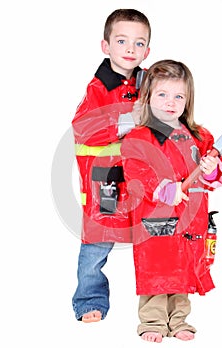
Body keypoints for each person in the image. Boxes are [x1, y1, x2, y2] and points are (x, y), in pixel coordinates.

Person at [121, 59, 222, 342]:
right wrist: (164, 189)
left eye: (179, 96)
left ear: (188, 99)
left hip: (190, 217)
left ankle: (179, 319)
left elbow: (220, 168)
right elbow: (135, 171)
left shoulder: (200, 136)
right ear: (147, 97)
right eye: (162, 95)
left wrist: (211, 168)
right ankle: (153, 321)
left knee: (184, 268)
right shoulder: (139, 138)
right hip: (156, 217)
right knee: (157, 268)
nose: (171, 102)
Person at [71, 9, 151, 323]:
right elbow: (83, 127)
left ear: (147, 50)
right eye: (122, 41)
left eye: (139, 43)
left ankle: (156, 306)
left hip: (141, 177)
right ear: (106, 46)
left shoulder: (148, 82)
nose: (130, 49)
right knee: (97, 244)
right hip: (105, 179)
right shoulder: (98, 88)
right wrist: (128, 121)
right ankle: (89, 300)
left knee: (153, 238)